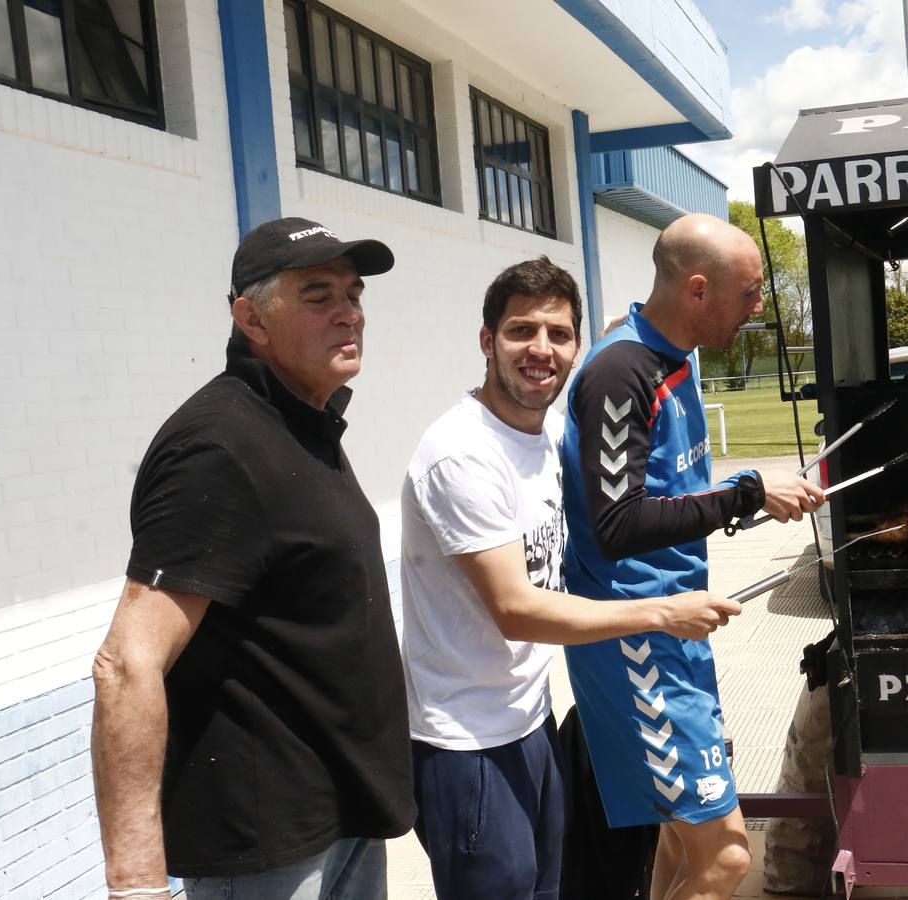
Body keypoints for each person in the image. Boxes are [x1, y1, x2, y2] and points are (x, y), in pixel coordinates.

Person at [398, 256, 741, 900]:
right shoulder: (462, 455)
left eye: (558, 335)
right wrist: (662, 612)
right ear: (485, 341)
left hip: (529, 721)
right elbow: (516, 609)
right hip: (466, 745)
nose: (540, 349)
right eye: (520, 331)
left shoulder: (544, 433)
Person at [91, 217, 414, 900]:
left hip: (342, 821)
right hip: (268, 851)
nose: (349, 313)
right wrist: (138, 883)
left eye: (354, 294)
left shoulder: (302, 424)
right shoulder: (219, 448)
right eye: (318, 295)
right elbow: (127, 664)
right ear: (252, 320)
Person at [560, 213, 825, 900]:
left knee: (681, 841)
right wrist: (743, 495)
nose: (759, 307)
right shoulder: (623, 369)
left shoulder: (675, 359)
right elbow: (617, 523)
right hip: (638, 641)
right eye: (751, 292)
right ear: (699, 290)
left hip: (677, 631)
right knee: (728, 857)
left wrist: (747, 497)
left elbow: (669, 495)